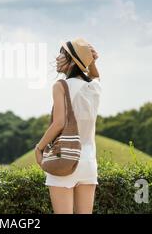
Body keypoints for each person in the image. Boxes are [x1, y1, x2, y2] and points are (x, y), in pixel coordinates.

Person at [34, 38, 101, 214]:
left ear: (72, 60)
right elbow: (95, 76)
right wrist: (91, 61)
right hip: (88, 162)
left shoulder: (60, 86)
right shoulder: (94, 87)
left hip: (65, 158)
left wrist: (39, 148)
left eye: (62, 54)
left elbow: (59, 123)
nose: (57, 58)